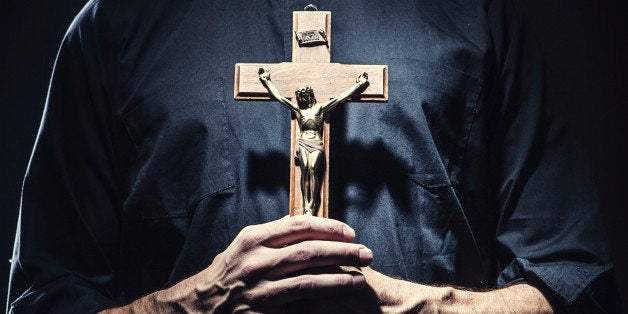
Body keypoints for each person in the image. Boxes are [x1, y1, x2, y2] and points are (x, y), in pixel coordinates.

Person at [7, 0, 620, 312]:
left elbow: (577, 287)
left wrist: (400, 304)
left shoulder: (479, 17)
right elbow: (42, 301)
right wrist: (197, 303)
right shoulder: (116, 25)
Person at [258, 68, 369, 215]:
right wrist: (267, 81)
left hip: (316, 144)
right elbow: (280, 97)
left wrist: (358, 85)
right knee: (305, 172)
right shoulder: (298, 110)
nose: (303, 98)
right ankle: (306, 207)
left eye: (305, 95)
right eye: (301, 96)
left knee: (312, 169)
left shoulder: (319, 109)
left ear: (310, 95)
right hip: (304, 142)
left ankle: (312, 204)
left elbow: (340, 98)